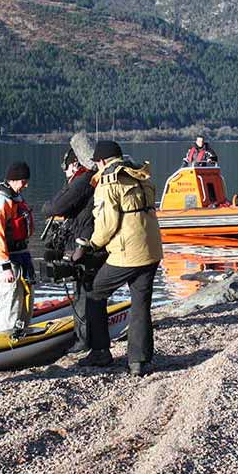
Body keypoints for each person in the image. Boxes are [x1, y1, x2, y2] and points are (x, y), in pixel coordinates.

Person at [77, 141, 163, 376]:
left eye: (96, 162)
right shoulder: (140, 174)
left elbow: (107, 224)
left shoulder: (108, 182)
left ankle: (100, 352)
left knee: (95, 292)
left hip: (128, 252)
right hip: (152, 249)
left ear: (102, 161)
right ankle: (139, 360)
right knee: (141, 302)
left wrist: (91, 245)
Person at [42, 133, 101, 353]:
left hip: (84, 243)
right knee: (87, 292)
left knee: (83, 294)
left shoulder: (83, 179)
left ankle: (84, 340)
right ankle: (89, 338)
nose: (65, 173)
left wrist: (46, 207)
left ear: (74, 163)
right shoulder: (94, 177)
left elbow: (55, 207)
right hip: (93, 240)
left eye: (66, 168)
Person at [0, 161, 35, 332]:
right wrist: (5, 266)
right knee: (10, 298)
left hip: (21, 255)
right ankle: (6, 338)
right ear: (13, 180)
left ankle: (23, 333)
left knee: (27, 297)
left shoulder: (17, 200)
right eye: (23, 182)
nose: (26, 185)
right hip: (5, 261)